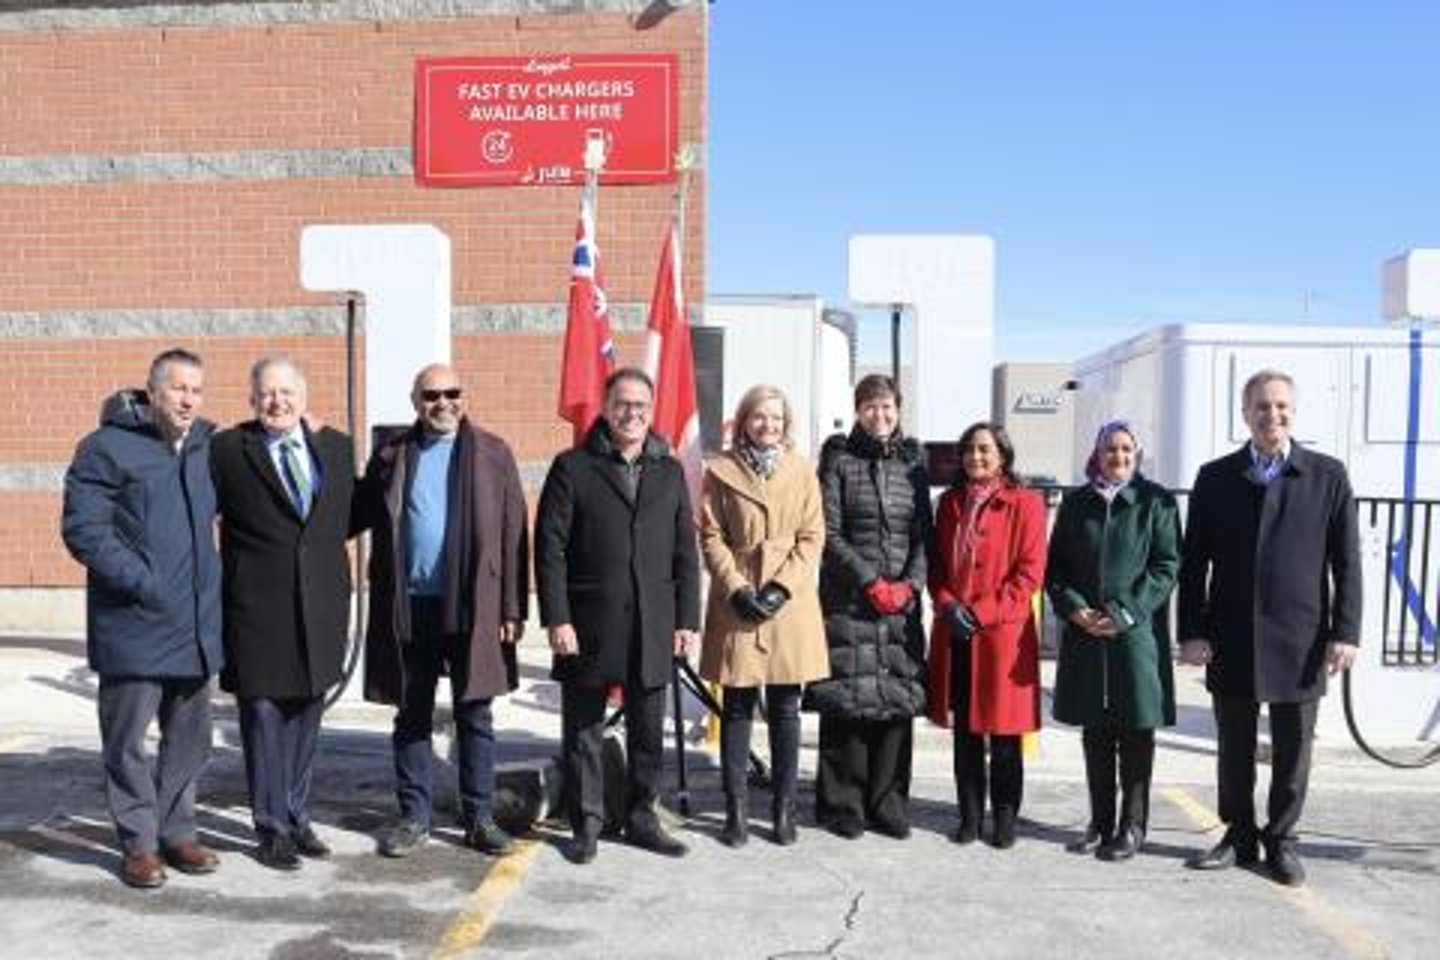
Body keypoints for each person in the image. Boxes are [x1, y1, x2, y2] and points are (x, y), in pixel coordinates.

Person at [1179, 369, 1361, 887]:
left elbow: (1346, 562)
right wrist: (1192, 629)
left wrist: (1345, 630)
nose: (1271, 415)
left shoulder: (1327, 476)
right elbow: (1194, 564)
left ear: (1293, 412)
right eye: (1261, 406)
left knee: (1292, 748)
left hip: (1301, 638)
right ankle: (1238, 835)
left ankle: (1281, 839)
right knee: (1233, 745)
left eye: (1281, 406)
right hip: (1230, 635)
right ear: (1245, 413)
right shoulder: (1215, 477)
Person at [61, 348, 224, 889]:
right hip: (134, 623)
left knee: (190, 741)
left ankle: (177, 833)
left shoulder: (204, 446)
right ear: (151, 392)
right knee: (127, 742)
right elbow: (84, 530)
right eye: (177, 389)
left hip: (195, 627)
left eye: (196, 390)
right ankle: (138, 844)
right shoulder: (105, 448)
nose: (187, 399)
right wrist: (143, 582)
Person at [356, 363, 529, 859]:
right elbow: (359, 510)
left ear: (464, 396)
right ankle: (414, 817)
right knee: (412, 713)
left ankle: (478, 817)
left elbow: (515, 534)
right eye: (431, 395)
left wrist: (513, 605)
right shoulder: (393, 454)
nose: (443, 403)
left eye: (452, 393)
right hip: (410, 607)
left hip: (475, 605)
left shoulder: (493, 453)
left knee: (475, 712)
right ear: (416, 401)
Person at [535, 367, 701, 864]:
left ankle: (642, 815)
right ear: (607, 409)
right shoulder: (572, 467)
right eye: (623, 405)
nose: (632, 414)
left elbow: (684, 554)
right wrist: (557, 618)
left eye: (641, 407)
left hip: (653, 622)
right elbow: (550, 549)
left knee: (649, 728)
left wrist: (686, 621)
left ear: (651, 413)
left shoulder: (668, 471)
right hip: (589, 622)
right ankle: (587, 822)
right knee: (584, 728)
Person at [210, 357, 356, 870]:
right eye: (267, 393)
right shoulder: (227, 450)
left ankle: (296, 815)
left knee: (306, 714)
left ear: (304, 396)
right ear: (252, 400)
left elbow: (348, 516)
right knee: (264, 717)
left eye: (287, 392)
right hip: (257, 610)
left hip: (320, 608)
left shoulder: (335, 449)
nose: (277, 402)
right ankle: (270, 827)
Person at [699, 385, 828, 848]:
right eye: (759, 417)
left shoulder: (802, 470)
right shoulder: (720, 470)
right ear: (744, 419)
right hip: (737, 600)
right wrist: (736, 587)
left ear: (786, 422)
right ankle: (735, 810)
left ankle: (783, 809)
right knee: (735, 707)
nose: (767, 425)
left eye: (775, 418)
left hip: (787, 605)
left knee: (786, 708)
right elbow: (710, 535)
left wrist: (779, 589)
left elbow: (813, 535)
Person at [1047, 421, 1181, 861]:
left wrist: (1124, 612)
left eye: (1126, 449)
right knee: (1096, 733)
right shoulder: (1076, 504)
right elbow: (1057, 572)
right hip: (1087, 636)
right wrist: (1076, 609)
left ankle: (1132, 827)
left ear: (1136, 454)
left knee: (1136, 733)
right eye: (1110, 449)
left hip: (1135, 638)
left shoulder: (1155, 502)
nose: (1118, 457)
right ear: (1097, 453)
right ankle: (1099, 823)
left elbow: (1165, 567)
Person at [804, 374, 930, 840]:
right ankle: (842, 805)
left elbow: (924, 534)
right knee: (848, 700)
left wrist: (910, 585)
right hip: (849, 599)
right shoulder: (839, 460)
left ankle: (889, 802)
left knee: (896, 697)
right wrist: (869, 580)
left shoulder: (913, 463)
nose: (880, 415)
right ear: (858, 410)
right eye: (871, 406)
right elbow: (829, 533)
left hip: (900, 603)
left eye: (888, 407)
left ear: (899, 410)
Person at [926, 422, 1045, 848]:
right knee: (966, 734)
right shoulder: (950, 504)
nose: (976, 457)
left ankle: (1006, 819)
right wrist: (945, 603)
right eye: (970, 450)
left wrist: (978, 614)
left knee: (1005, 735)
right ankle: (970, 816)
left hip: (1002, 638)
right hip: (955, 631)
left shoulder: (1026, 503)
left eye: (985, 449)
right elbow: (936, 565)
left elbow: (1028, 576)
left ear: (1003, 455)